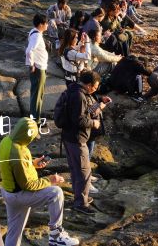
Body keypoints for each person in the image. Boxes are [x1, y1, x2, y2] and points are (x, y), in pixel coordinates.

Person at [0, 117, 79, 246]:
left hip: (8, 192)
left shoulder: (6, 141)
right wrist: (50, 180)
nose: (33, 139)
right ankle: (56, 235)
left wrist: (33, 164)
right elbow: (28, 185)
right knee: (55, 193)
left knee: (13, 233)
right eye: (33, 137)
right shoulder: (18, 153)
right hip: (20, 194)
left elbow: (13, 167)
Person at [60, 71, 110, 215]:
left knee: (76, 170)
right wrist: (94, 123)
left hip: (68, 136)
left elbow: (82, 112)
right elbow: (79, 120)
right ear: (88, 85)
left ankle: (78, 198)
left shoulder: (73, 89)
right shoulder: (79, 96)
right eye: (95, 87)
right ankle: (81, 204)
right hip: (77, 138)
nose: (95, 89)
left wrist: (99, 105)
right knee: (84, 172)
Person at [25, 14, 49, 121]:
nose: (47, 25)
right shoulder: (37, 36)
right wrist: (32, 65)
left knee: (37, 94)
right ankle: (35, 121)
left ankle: (35, 118)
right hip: (38, 69)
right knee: (37, 96)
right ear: (41, 24)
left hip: (39, 66)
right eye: (46, 23)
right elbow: (29, 51)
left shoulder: (34, 32)